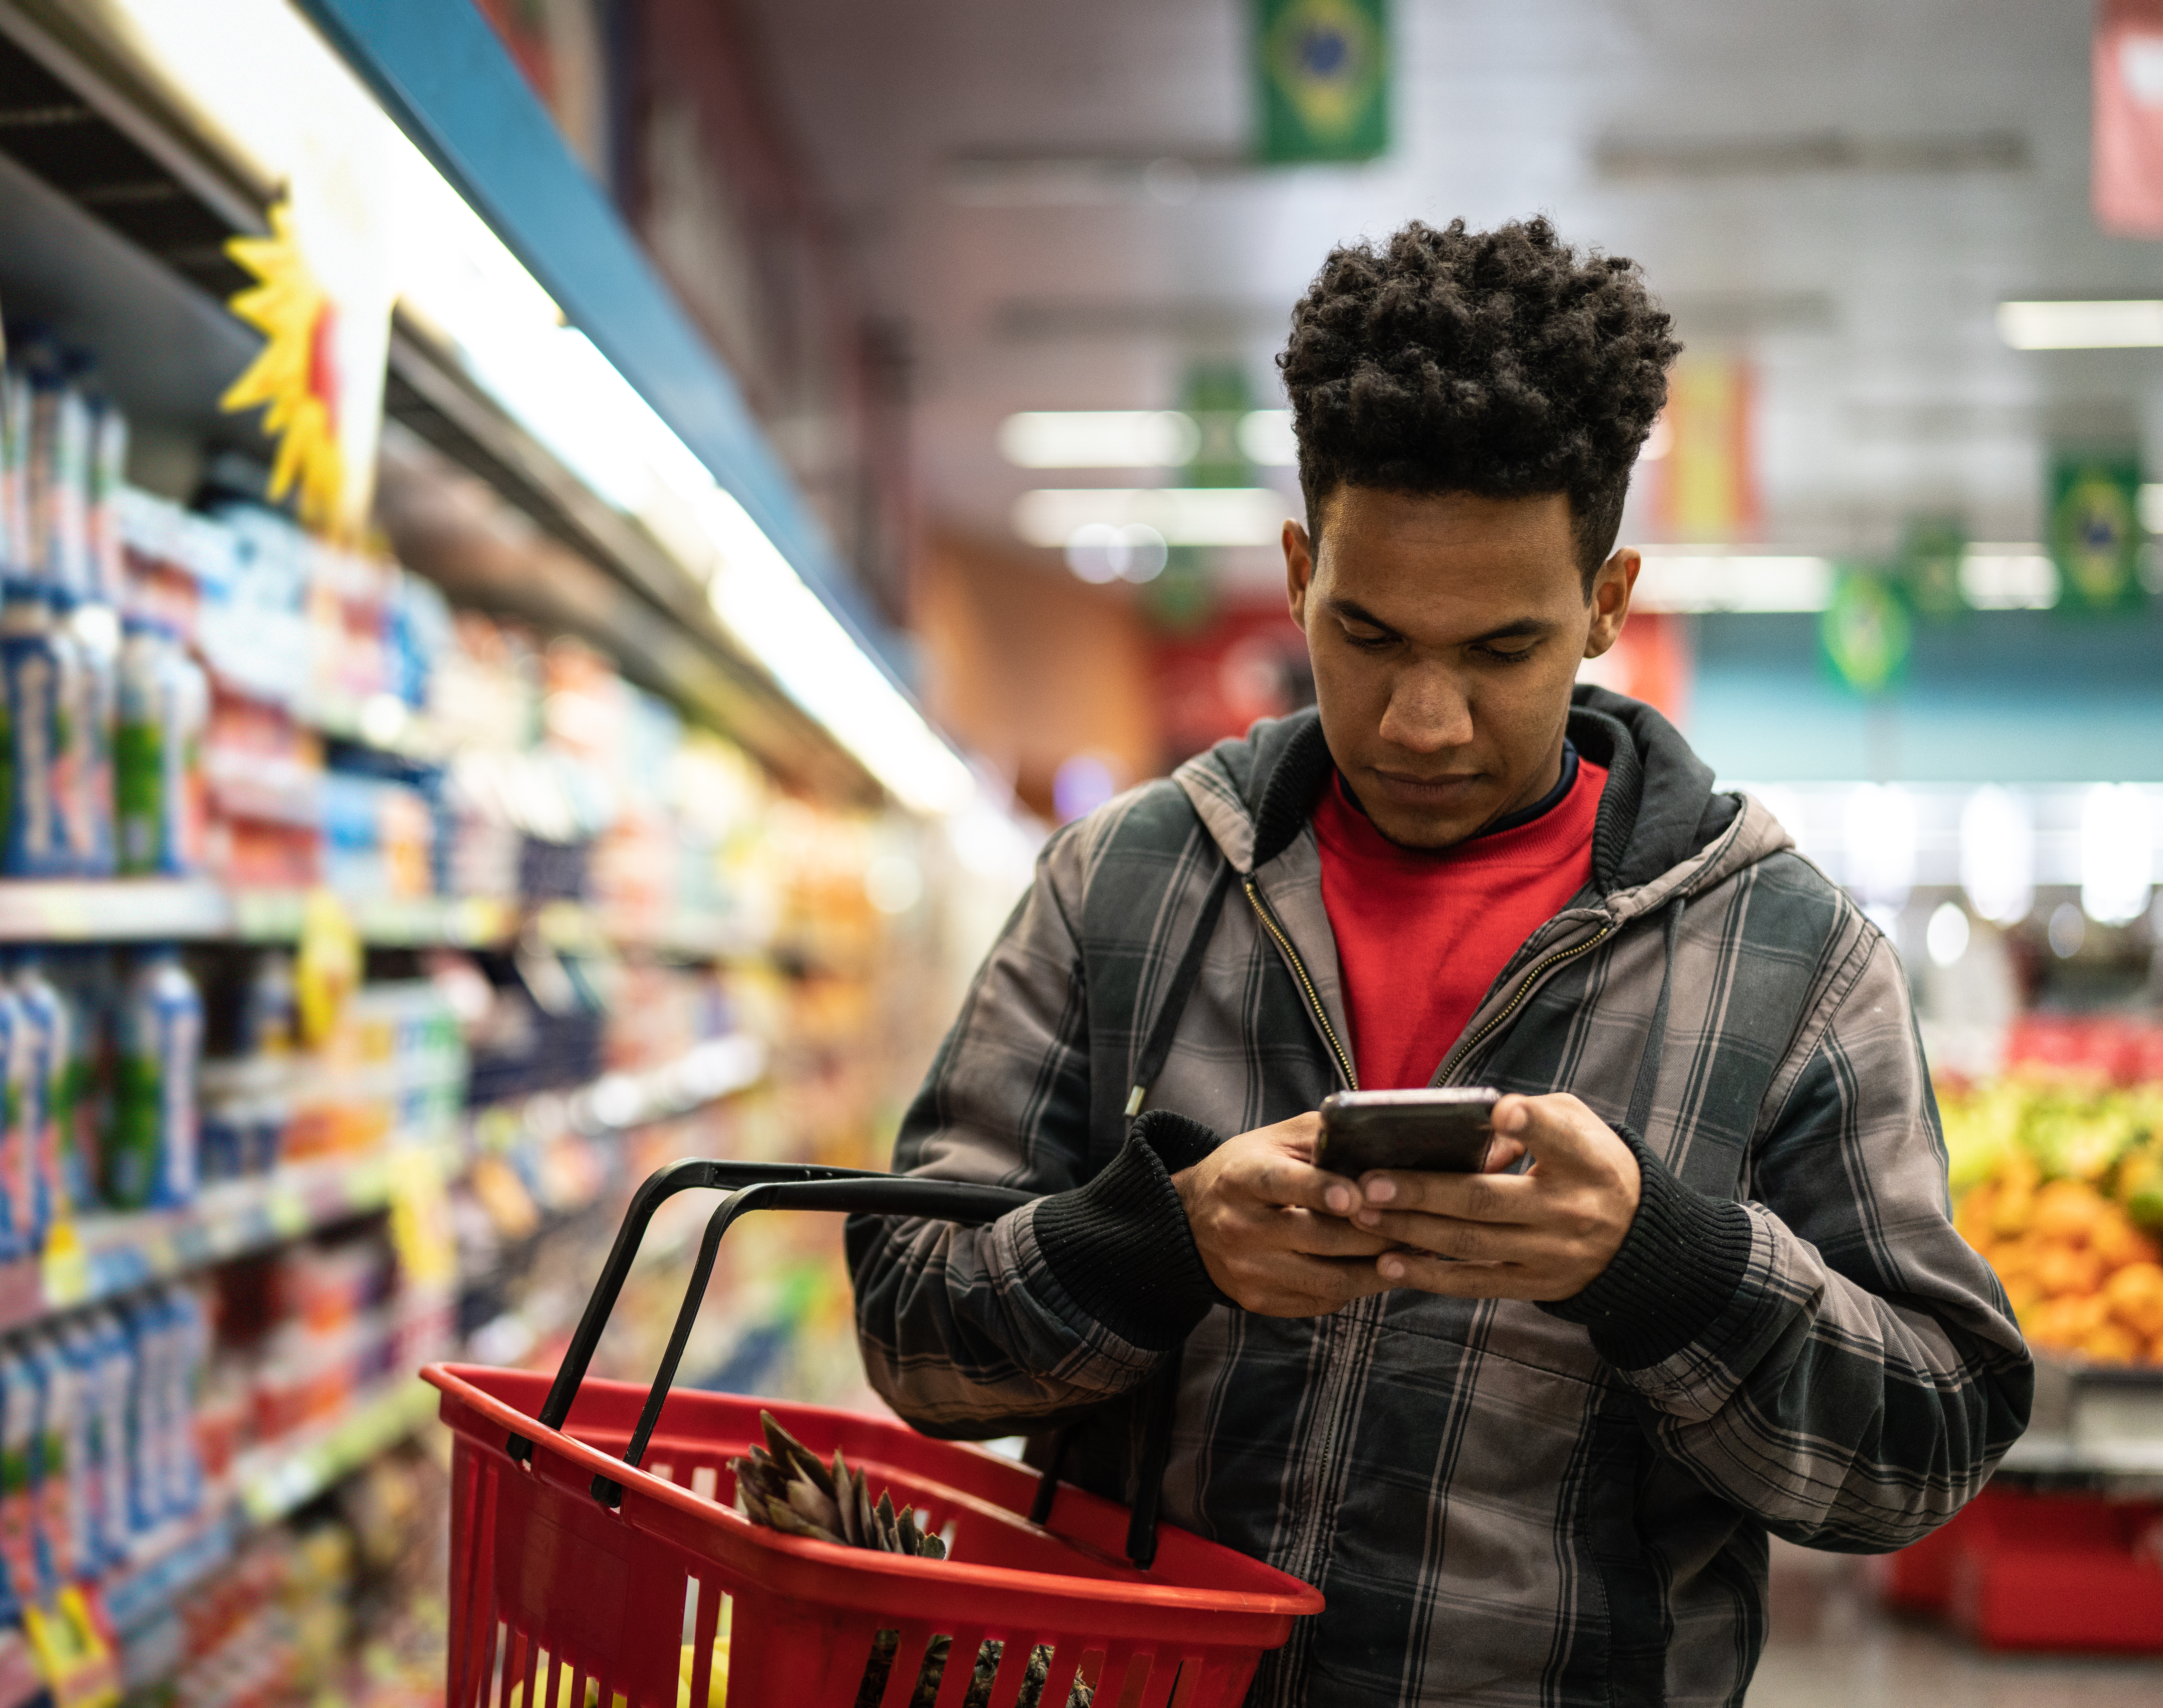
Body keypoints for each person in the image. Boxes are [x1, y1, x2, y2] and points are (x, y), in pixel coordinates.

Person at [847, 217, 2031, 1706]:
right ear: (1294, 573)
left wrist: (1660, 1267)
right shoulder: (1125, 884)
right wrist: (1162, 1245)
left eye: (1497, 653)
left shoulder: (1784, 960)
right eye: (1367, 632)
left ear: (1605, 607)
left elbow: (1924, 1451)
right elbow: (909, 1325)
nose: (1420, 720)